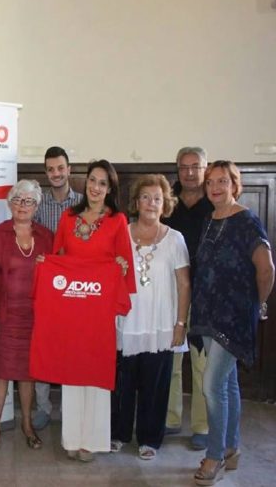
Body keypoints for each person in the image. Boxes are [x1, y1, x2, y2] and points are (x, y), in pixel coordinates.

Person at [190, 161, 274, 486]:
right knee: (228, 383)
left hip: (234, 316)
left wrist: (257, 304)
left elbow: (266, 269)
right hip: (209, 314)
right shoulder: (209, 220)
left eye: (222, 181)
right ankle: (232, 447)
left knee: (212, 385)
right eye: (210, 181)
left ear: (235, 185)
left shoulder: (247, 221)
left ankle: (215, 455)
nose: (215, 187)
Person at [51, 159, 136, 462]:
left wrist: (120, 267)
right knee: (72, 369)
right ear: (84, 182)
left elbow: (125, 265)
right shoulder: (68, 217)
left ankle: (93, 440)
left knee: (97, 370)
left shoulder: (118, 220)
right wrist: (47, 266)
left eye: (103, 183)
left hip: (100, 310)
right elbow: (57, 256)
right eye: (92, 180)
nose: (96, 187)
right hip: (72, 306)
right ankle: (72, 437)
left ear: (110, 188)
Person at [111, 175, 191, 460]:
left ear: (165, 203)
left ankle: (149, 439)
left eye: (157, 198)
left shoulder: (175, 239)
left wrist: (180, 324)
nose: (151, 203)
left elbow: (184, 284)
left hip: (160, 325)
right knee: (122, 385)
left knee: (155, 387)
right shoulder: (120, 233)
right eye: (145, 197)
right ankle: (119, 434)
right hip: (127, 323)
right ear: (136, 202)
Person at [0, 180, 53, 454]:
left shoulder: (46, 237)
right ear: (10, 203)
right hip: (4, 319)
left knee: (29, 375)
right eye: (18, 200)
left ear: (36, 206)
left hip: (35, 320)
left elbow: (57, 276)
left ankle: (27, 425)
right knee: (1, 374)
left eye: (28, 201)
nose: (22, 205)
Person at [165, 146, 213, 451]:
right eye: (184, 167)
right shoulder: (167, 201)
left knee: (202, 363)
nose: (190, 172)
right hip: (170, 291)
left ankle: (201, 426)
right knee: (170, 359)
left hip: (206, 295)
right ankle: (170, 418)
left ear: (206, 169)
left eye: (196, 166)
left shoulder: (216, 202)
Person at [32, 146, 82, 430]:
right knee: (44, 344)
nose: (56, 174)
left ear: (69, 169)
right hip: (46, 287)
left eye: (60, 168)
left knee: (71, 348)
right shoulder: (38, 204)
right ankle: (43, 407)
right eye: (51, 169)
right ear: (45, 173)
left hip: (76, 288)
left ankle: (69, 407)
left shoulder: (83, 204)